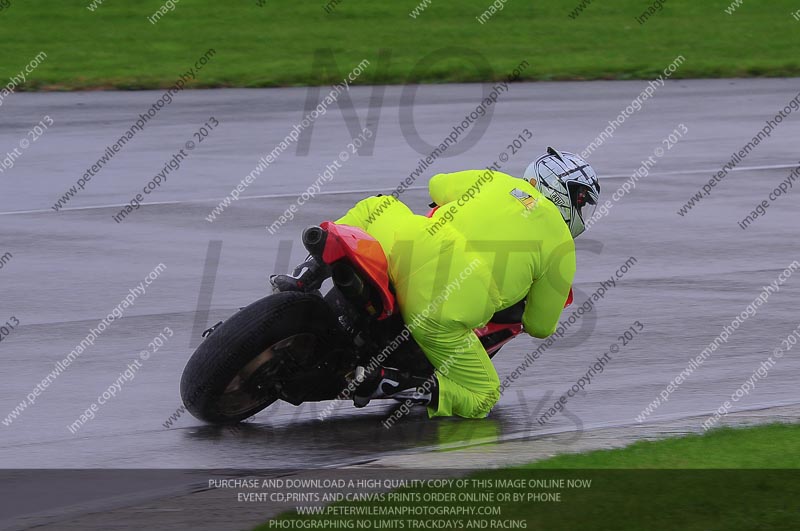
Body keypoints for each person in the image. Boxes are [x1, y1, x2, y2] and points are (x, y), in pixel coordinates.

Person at [273, 147, 600, 418]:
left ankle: (306, 276)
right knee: (484, 395)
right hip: (441, 306)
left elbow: (437, 184)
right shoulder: (562, 247)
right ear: (560, 191)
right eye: (581, 201)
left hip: (407, 244)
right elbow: (540, 326)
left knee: (379, 207)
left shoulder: (497, 181)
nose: (581, 210)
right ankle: (384, 380)